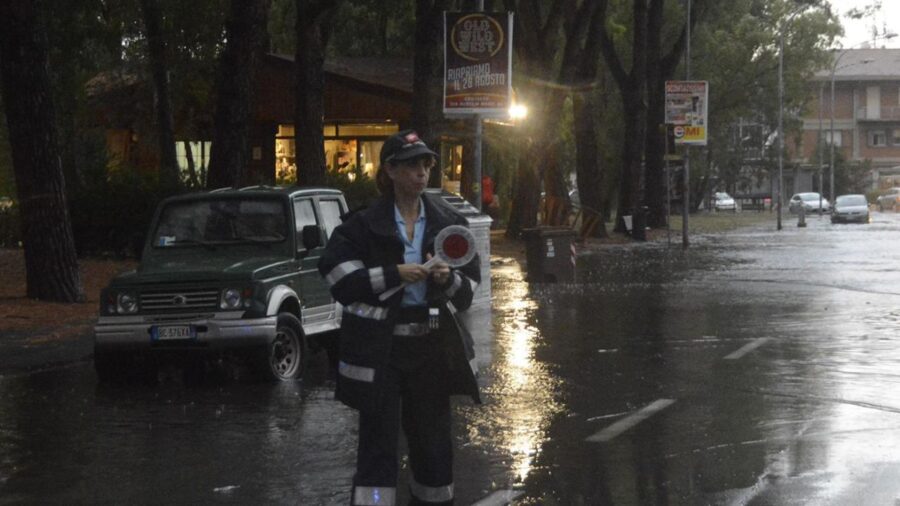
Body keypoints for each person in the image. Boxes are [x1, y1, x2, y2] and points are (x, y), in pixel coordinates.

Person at [318, 130, 481, 506]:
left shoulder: (449, 222)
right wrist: (396, 274)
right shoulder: (360, 225)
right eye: (411, 165)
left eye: (426, 164)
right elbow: (337, 278)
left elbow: (470, 290)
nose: (421, 173)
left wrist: (448, 278)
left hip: (431, 350)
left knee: (434, 445)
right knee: (377, 448)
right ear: (389, 170)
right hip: (382, 353)